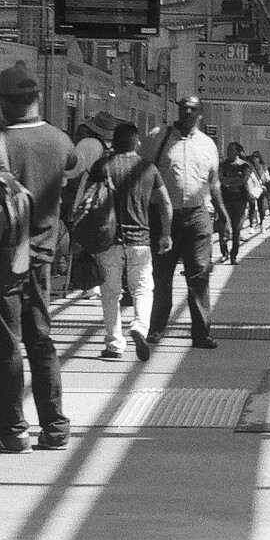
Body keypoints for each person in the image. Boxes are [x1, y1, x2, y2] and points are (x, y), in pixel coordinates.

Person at [0, 62, 79, 455]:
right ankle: (55, 426)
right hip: (42, 256)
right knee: (41, 340)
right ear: (36, 99)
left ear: (3, 101)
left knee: (5, 345)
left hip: (1, 260)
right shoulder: (61, 140)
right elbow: (72, 173)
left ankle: (13, 430)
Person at [144, 95, 219, 350]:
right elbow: (141, 171)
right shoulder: (158, 137)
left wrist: (223, 216)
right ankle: (156, 329)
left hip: (198, 216)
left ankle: (201, 334)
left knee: (199, 275)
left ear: (200, 113)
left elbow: (213, 182)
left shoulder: (208, 144)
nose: (187, 111)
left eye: (192, 108)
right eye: (183, 107)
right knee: (162, 275)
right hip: (165, 217)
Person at [89, 121, 168, 362]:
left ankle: (114, 344)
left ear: (115, 141)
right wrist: (166, 233)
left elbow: (87, 201)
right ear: (137, 142)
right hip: (140, 240)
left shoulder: (102, 166)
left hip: (108, 240)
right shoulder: (148, 168)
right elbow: (165, 203)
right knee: (143, 289)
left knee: (110, 293)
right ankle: (140, 327)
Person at [215, 139, 252, 263]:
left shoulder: (245, 165)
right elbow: (220, 179)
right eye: (227, 150)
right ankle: (224, 252)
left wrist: (228, 181)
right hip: (224, 199)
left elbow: (243, 180)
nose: (228, 152)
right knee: (222, 226)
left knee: (236, 228)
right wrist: (235, 179)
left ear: (237, 152)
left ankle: (233, 255)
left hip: (240, 200)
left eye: (231, 150)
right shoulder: (222, 164)